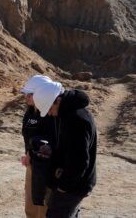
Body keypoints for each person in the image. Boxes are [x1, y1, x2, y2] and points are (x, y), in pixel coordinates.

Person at [32, 81, 97, 218]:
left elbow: (79, 161)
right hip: (73, 183)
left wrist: (63, 187)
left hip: (73, 186)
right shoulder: (69, 114)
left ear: (58, 100)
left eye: (49, 109)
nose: (50, 114)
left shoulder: (76, 120)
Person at [19, 75, 56, 218]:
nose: (26, 97)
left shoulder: (51, 113)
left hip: (46, 166)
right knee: (31, 204)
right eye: (26, 94)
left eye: (30, 94)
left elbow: (52, 141)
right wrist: (29, 153)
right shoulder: (30, 111)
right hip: (32, 163)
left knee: (44, 205)